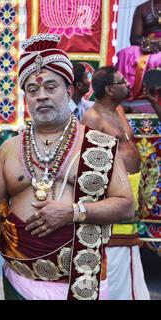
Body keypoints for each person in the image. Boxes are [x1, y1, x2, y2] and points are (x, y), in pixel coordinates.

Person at [0, 34, 135, 300]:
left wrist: (73, 212)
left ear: (69, 91)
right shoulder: (8, 149)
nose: (42, 96)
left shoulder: (100, 145)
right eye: (33, 91)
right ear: (26, 99)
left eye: (51, 87)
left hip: (80, 280)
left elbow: (126, 206)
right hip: (19, 279)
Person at [82, 66, 150, 300]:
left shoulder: (119, 110)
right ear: (110, 89)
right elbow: (88, 163)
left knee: (130, 247)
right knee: (116, 254)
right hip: (113, 192)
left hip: (132, 184)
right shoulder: (92, 117)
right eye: (123, 81)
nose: (129, 84)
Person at [115, 0, 161, 100]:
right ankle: (123, 95)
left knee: (156, 59)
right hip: (150, 46)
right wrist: (150, 43)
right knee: (123, 54)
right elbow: (135, 39)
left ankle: (155, 94)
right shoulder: (142, 8)